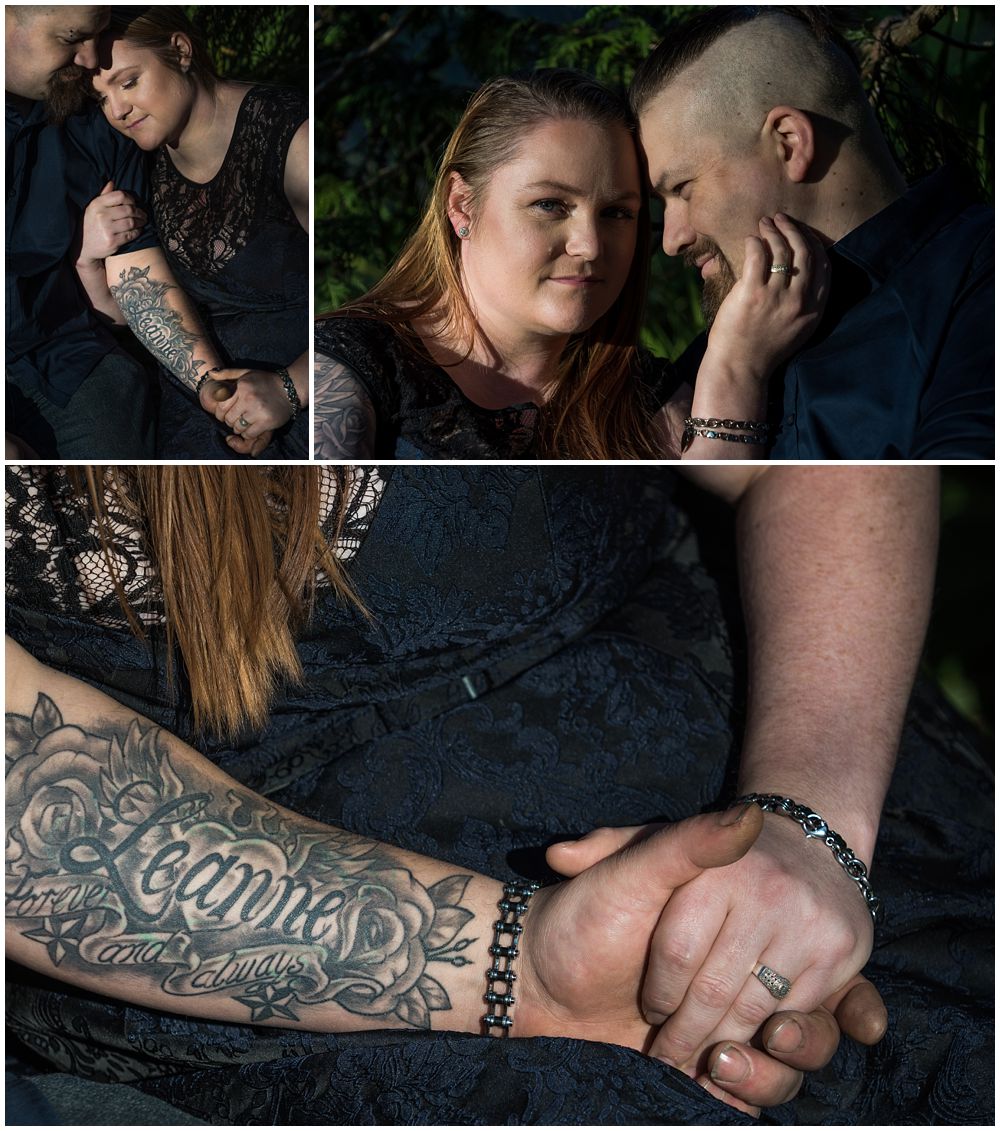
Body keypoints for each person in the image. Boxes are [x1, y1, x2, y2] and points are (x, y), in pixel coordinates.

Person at [5, 464, 992, 1124]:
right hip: (312, 997)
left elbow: (824, 435)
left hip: (813, 761)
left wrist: (807, 821)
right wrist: (530, 967)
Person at [314, 69, 829, 460]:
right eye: (551, 205)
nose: (590, 245)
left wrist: (736, 371)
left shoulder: (644, 394)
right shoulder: (348, 368)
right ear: (461, 205)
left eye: (617, 213)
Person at [630, 6, 994, 459]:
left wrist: (735, 376)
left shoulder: (976, 286)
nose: (672, 240)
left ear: (789, 142)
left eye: (683, 188)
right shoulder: (736, 330)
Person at [4, 5, 267, 460]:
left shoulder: (94, 124)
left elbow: (137, 273)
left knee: (116, 447)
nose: (89, 60)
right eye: (71, 38)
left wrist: (208, 381)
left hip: (64, 359)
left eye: (97, 37)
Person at [81, 6, 310, 459]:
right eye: (102, 99)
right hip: (198, 396)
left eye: (128, 82)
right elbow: (133, 311)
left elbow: (368, 302)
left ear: (181, 51)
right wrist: (88, 260)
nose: (118, 110)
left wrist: (293, 386)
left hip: (307, 380)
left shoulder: (289, 132)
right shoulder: (134, 160)